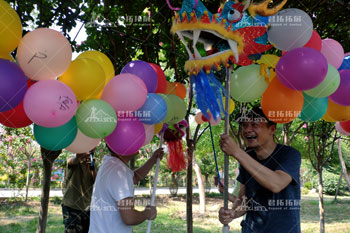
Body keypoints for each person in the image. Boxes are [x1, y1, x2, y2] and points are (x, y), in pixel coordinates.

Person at [218, 107, 301, 233]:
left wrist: (236, 152)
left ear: (272, 129)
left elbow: (276, 183)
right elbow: (244, 200)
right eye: (244, 125)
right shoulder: (247, 157)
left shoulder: (290, 155)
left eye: (254, 125)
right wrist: (232, 213)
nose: (247, 130)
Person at [88, 146, 164, 233]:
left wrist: (153, 160)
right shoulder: (119, 170)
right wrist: (147, 213)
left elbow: (134, 177)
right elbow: (129, 217)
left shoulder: (110, 163)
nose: (138, 143)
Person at [62, 150, 97, 233]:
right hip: (71, 206)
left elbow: (97, 181)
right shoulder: (73, 160)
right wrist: (79, 157)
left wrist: (93, 168)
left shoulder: (91, 163)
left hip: (87, 207)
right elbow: (71, 161)